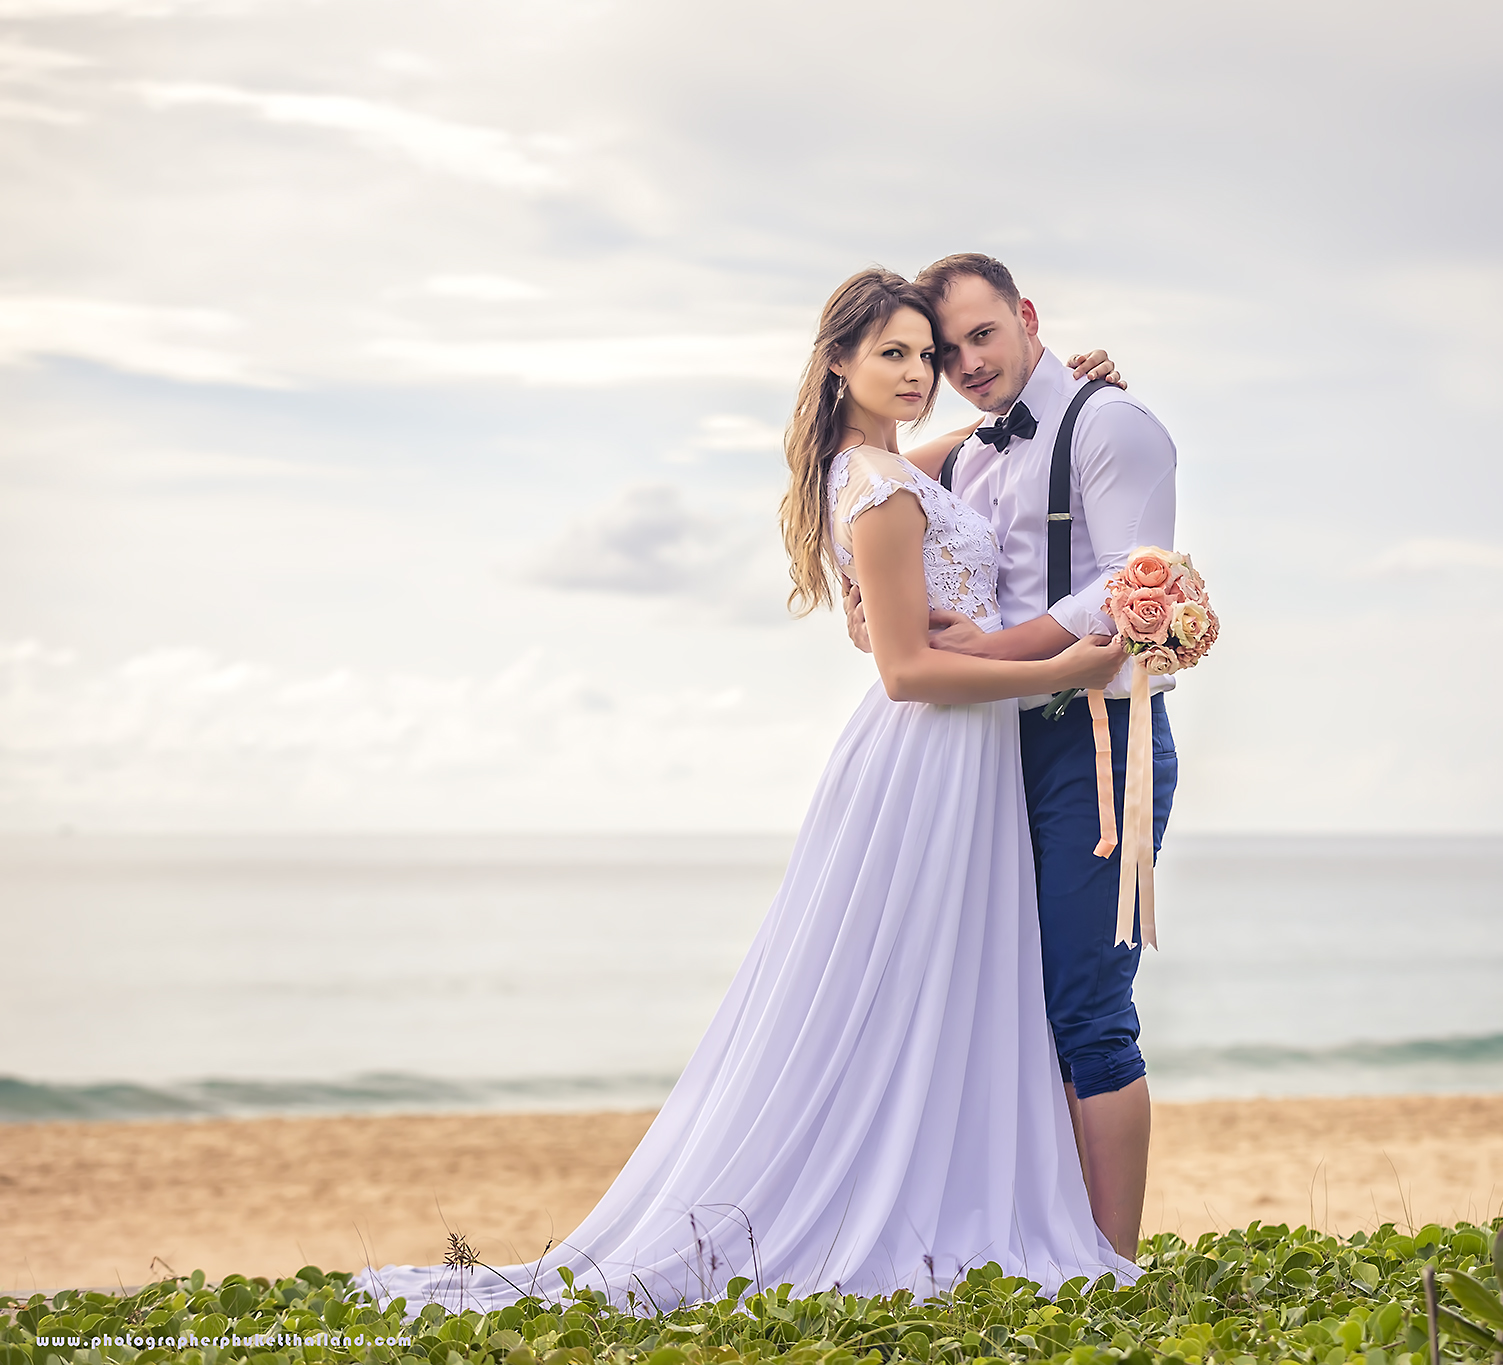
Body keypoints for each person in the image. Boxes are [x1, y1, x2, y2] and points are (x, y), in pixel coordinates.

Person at [354, 269, 1135, 1315]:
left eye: (927, 355)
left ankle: (926, 1182)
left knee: (943, 984)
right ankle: (876, 1193)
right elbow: (901, 669)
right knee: (896, 981)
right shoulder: (879, 487)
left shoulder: (893, 466)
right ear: (839, 366)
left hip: (966, 753)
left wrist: (1070, 393)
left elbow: (992, 441)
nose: (919, 374)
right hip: (933, 746)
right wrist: (1056, 669)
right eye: (893, 354)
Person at [845, 254, 1178, 1261]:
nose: (964, 362)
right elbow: (886, 519)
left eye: (982, 335)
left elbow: (1130, 585)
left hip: (1096, 740)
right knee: (1001, 1000)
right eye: (945, 353)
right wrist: (871, 618)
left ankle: (1110, 1263)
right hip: (990, 753)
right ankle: (1044, 1238)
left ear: (1024, 316)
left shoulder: (1111, 425)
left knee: (1085, 1007)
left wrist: (997, 648)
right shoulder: (974, 457)